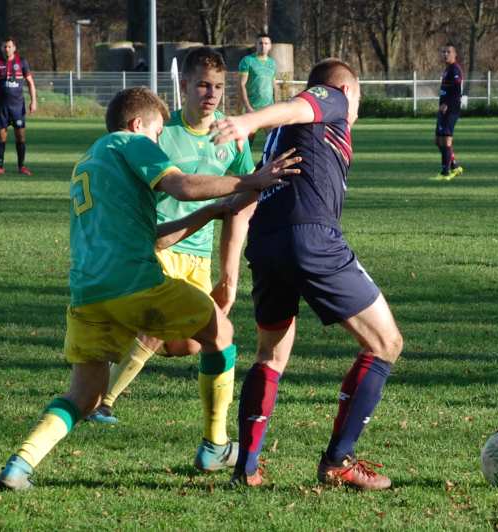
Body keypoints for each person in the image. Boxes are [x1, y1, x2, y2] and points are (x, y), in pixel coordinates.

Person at [0, 86, 299, 491]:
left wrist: (209, 213)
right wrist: (251, 179)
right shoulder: (131, 143)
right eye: (157, 135)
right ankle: (215, 445)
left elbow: (152, 236)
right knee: (221, 333)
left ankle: (19, 465)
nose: (159, 144)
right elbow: (184, 186)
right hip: (136, 283)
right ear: (139, 125)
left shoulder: (92, 158)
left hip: (88, 293)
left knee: (83, 396)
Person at [211, 58, 404, 490]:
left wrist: (230, 269)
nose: (353, 113)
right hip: (310, 237)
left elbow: (246, 197)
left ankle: (247, 468)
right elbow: (298, 104)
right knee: (386, 343)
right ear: (348, 92)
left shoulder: (283, 138)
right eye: (356, 102)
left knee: (271, 355)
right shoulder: (331, 98)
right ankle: (338, 460)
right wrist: (246, 120)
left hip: (267, 241)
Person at [85, 47, 256, 473]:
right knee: (156, 330)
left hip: (198, 258)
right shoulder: (162, 132)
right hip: (158, 247)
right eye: (202, 84)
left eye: (218, 86)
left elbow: (241, 207)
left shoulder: (233, 139)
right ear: (183, 86)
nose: (211, 94)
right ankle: (101, 400)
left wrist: (230, 275)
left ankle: (104, 372)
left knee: (193, 343)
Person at [0, 37, 36, 176]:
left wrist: (33, 101)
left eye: (9, 46)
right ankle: (0, 166)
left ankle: (22, 166)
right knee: (1, 137)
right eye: (4, 47)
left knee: (21, 137)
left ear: (14, 48)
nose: (7, 49)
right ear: (2, 48)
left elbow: (30, 83)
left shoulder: (22, 62)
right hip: (1, 107)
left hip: (18, 107)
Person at [431, 43, 464, 181]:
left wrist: (447, 104)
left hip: (451, 110)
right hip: (443, 109)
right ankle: (455, 166)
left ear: (455, 54)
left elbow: (457, 91)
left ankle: (445, 172)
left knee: (445, 140)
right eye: (444, 52)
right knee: (438, 140)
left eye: (448, 52)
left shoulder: (455, 69)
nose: (445, 54)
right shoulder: (447, 69)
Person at [238, 33, 276, 145]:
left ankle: (268, 162)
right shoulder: (247, 61)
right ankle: (242, 162)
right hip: (252, 108)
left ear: (270, 46)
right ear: (256, 45)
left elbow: (274, 85)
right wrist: (248, 106)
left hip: (268, 108)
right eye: (260, 43)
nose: (263, 46)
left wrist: (276, 104)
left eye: (266, 43)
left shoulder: (272, 63)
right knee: (247, 142)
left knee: (272, 140)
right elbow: (241, 85)